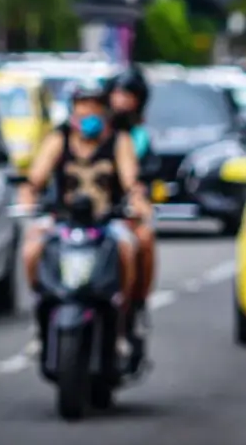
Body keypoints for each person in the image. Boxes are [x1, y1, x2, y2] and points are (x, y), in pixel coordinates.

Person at [18, 82, 150, 357]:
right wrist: (28, 197)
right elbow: (34, 180)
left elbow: (131, 182)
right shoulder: (59, 139)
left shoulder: (119, 140)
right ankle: (42, 317)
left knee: (127, 250)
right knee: (32, 250)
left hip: (106, 223)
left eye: (94, 108)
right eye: (83, 108)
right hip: (63, 222)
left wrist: (138, 201)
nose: (88, 114)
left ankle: (122, 324)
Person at [104, 67, 157, 310]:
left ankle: (136, 302)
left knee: (142, 240)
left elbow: (137, 180)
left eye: (128, 94)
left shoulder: (137, 138)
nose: (122, 100)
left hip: (121, 210)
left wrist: (138, 199)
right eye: (118, 93)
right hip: (87, 213)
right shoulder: (90, 134)